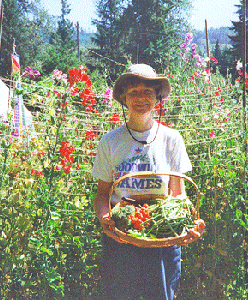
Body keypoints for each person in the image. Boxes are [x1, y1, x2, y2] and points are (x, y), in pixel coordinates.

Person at [91, 64, 205, 300]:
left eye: (147, 92)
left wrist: (186, 226)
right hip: (122, 238)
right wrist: (105, 220)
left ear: (157, 97)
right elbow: (102, 194)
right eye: (133, 92)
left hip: (162, 237)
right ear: (123, 98)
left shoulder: (171, 139)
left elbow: (178, 194)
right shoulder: (110, 142)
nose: (140, 98)